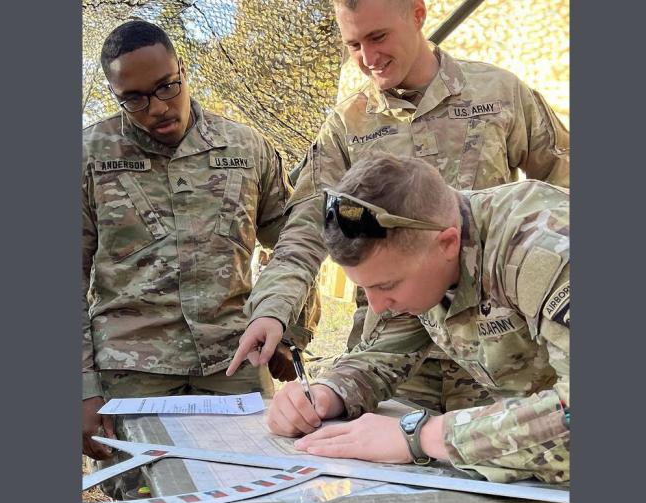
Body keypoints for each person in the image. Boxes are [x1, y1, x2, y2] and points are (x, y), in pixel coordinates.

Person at [227, 0, 569, 413]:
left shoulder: (499, 94)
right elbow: (304, 230)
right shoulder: (347, 124)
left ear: (418, 15)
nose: (369, 59)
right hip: (391, 351)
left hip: (501, 353)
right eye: (354, 45)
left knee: (505, 454)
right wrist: (273, 311)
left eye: (378, 36)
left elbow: (564, 182)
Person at [269, 153, 570, 503]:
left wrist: (422, 437)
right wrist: (328, 392)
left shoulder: (542, 250)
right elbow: (387, 350)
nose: (376, 305)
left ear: (448, 243)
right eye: (365, 288)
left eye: (386, 287)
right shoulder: (426, 257)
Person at [82, 20, 319, 475]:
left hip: (234, 367)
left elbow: (296, 244)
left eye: (167, 86)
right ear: (117, 95)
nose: (157, 108)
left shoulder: (248, 148)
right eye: (134, 98)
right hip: (134, 376)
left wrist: (291, 332)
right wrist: (82, 388)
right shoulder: (89, 157)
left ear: (183, 70)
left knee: (248, 497)